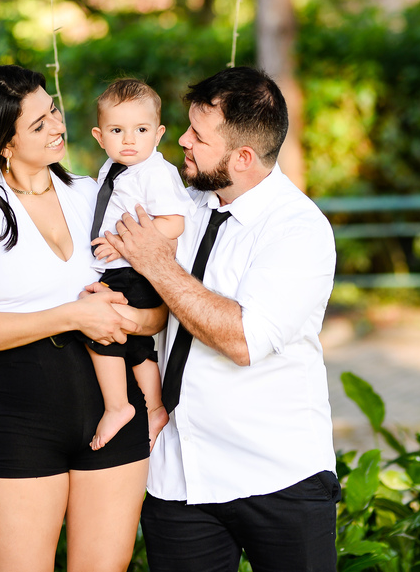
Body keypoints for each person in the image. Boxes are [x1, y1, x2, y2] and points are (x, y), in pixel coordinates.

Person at [98, 66, 341, 572]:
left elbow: (243, 340)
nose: (182, 141)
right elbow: (163, 314)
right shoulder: (180, 205)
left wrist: (157, 264)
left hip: (277, 476)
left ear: (243, 157)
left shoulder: (298, 230)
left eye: (199, 136)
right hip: (177, 477)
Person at [0, 65, 165, 572]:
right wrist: (74, 315)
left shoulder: (93, 193)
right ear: (3, 144)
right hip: (21, 416)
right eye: (38, 124)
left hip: (115, 407)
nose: (58, 125)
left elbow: (156, 310)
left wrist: (130, 320)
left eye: (52, 110)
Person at [86, 79, 191, 452]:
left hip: (134, 271)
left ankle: (118, 406)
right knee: (135, 345)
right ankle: (155, 408)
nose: (129, 140)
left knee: (101, 330)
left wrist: (120, 243)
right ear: (100, 136)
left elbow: (173, 223)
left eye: (141, 130)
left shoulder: (155, 172)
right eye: (117, 131)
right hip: (117, 270)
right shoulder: (114, 167)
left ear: (159, 134)